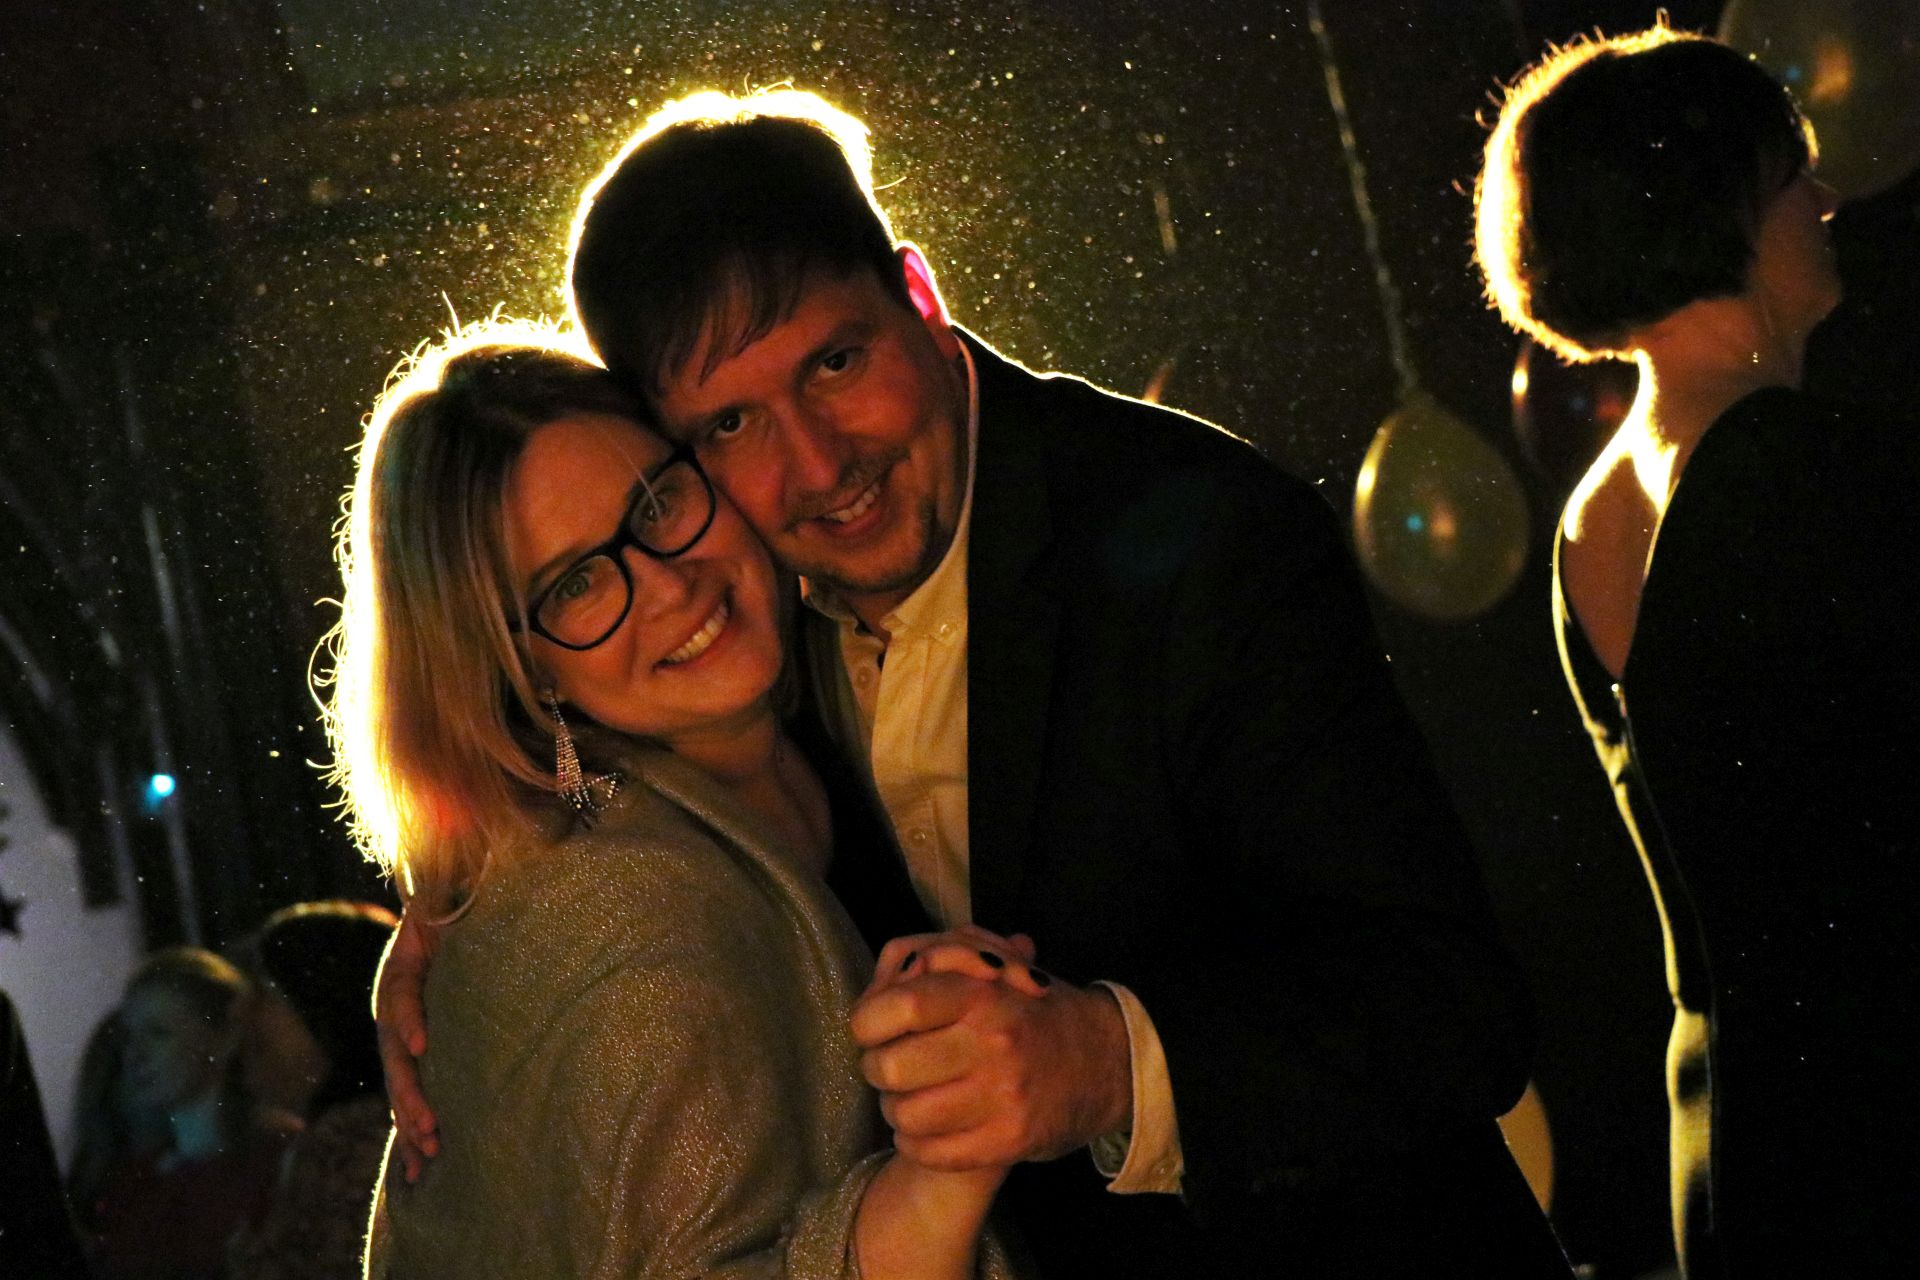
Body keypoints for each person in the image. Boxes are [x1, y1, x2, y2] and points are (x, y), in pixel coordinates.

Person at [384, 90, 1569, 1275]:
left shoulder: (1201, 535)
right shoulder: (737, 614)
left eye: (836, 362)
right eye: (732, 423)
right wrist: (449, 901)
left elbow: (1454, 1006)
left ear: (920, 293)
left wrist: (1106, 1064)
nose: (817, 465)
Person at [324, 326, 1022, 1278]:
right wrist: (953, 1154)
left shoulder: (821, 687)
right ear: (520, 667)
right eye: (575, 584)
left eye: (656, 504)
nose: (666, 583)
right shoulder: (619, 913)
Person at [1475, 25, 1920, 1276]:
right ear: (1711, 206)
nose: (1822, 201)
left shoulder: (1593, 508)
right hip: (1879, 1131)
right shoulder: (1798, 465)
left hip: (1731, 1126)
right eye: (1790, 173)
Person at [83, 948, 297, 1280]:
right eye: (130, 1036)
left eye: (158, 1032)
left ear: (225, 1037)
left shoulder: (283, 1157)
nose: (134, 1055)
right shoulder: (134, 1182)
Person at [228, 900, 397, 1280]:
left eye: (264, 990)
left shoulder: (350, 1153)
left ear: (327, 1007)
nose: (239, 1012)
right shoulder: (336, 1142)